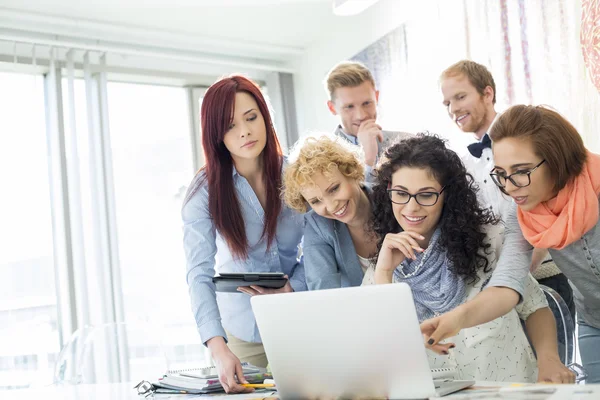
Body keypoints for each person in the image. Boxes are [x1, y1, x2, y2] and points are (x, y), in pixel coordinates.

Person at [365, 134, 574, 383]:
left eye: (426, 194)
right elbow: (379, 355)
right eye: (401, 193)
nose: (411, 208)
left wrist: (549, 360)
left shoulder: (487, 242)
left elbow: (535, 308)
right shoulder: (381, 269)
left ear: (447, 195)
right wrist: (384, 273)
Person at [421, 106, 599, 382]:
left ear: (556, 159)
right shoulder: (521, 212)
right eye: (501, 174)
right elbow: (506, 286)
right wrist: (456, 319)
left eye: (521, 171)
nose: (510, 186)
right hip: (594, 323)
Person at [181, 75, 306, 393]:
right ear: (216, 135)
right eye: (230, 126)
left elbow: (324, 242)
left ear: (265, 117)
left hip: (301, 317)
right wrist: (218, 348)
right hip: (242, 332)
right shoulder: (203, 193)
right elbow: (199, 274)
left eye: (251, 118)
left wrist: (294, 287)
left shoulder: (298, 175)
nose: (245, 132)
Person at [439, 60, 574, 318]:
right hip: (502, 281)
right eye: (447, 103)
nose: (453, 108)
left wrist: (526, 269)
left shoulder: (528, 136)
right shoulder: (467, 164)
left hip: (546, 275)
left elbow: (551, 200)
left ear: (487, 93)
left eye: (460, 97)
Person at [283, 134, 378, 290]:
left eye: (334, 189)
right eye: (316, 201)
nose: (331, 206)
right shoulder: (317, 225)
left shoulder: (391, 200)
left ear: (351, 172)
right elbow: (322, 290)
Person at [324, 61, 412, 182]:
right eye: (349, 107)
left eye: (367, 103)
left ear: (376, 97)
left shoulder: (406, 142)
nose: (361, 115)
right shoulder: (322, 158)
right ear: (332, 108)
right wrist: (368, 160)